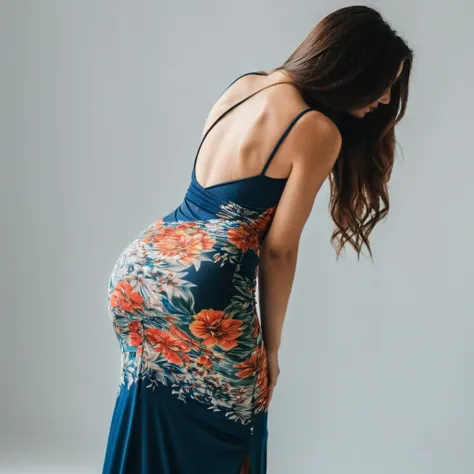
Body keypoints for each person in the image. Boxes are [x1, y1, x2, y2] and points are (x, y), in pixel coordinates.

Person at [102, 5, 413, 474]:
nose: (387, 100)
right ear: (353, 68)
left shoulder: (245, 84)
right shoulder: (316, 130)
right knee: (238, 430)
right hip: (205, 288)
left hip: (141, 269)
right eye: (385, 83)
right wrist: (271, 347)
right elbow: (279, 249)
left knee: (152, 414)